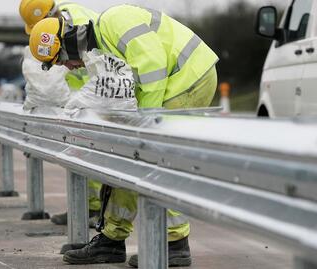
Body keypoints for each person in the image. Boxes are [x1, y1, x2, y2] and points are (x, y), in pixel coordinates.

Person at [28, 4, 219, 267]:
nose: (68, 67)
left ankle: (174, 243)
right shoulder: (100, 50)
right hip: (172, 81)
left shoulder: (114, 22)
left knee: (157, 158)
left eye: (61, 59)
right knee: (128, 157)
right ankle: (112, 238)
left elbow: (153, 66)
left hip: (186, 77)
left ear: (67, 44)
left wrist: (145, 121)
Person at [19, 0, 102, 227]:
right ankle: (87, 207)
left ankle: (96, 210)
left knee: (95, 156)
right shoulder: (63, 21)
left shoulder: (73, 23)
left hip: (96, 96)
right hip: (82, 98)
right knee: (81, 154)